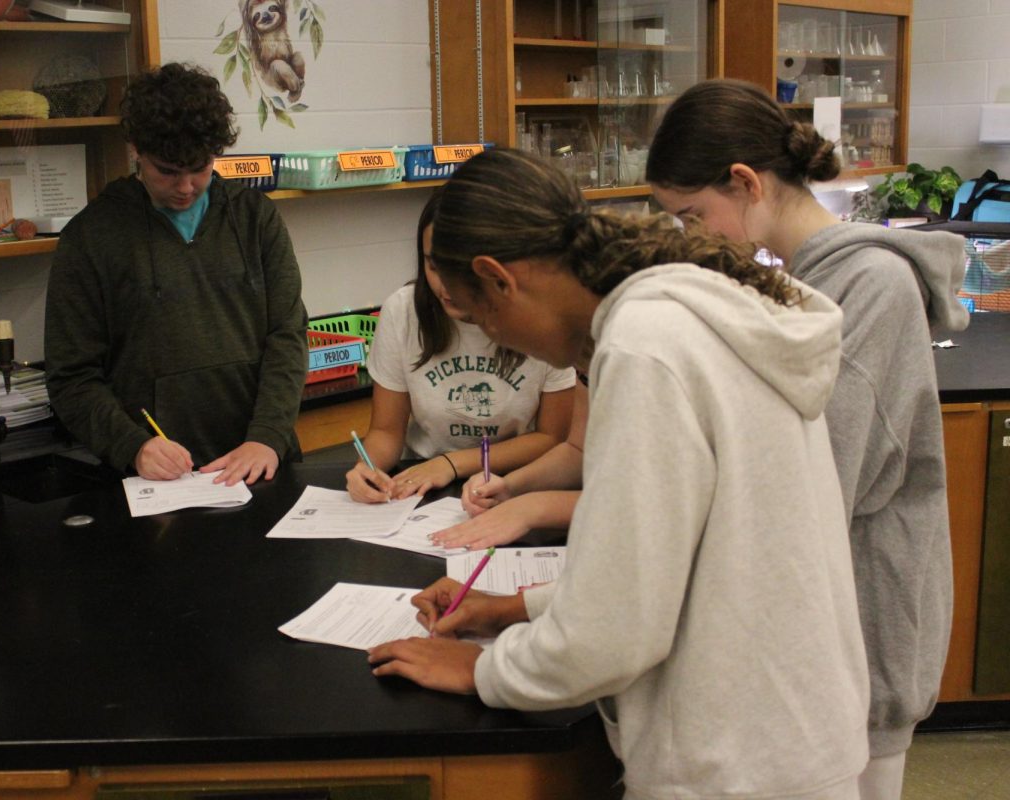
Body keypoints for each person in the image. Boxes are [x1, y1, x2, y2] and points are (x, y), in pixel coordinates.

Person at [368, 149, 870, 798]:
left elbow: (613, 636)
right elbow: (665, 565)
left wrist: (482, 673)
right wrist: (515, 609)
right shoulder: (691, 313)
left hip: (736, 758)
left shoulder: (645, 346)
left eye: (479, 316)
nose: (499, 340)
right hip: (786, 727)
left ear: (499, 279)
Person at [645, 78, 970, 799]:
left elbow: (812, 484)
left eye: (693, 215)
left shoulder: (872, 287)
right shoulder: (793, 282)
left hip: (862, 637)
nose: (691, 238)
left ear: (746, 183)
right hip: (810, 638)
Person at [45, 62, 308, 485]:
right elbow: (71, 377)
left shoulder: (255, 218)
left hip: (260, 464)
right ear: (136, 149)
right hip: (156, 480)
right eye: (167, 171)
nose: (185, 187)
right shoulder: (91, 237)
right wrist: (133, 446)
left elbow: (288, 335)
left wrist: (268, 436)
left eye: (200, 168)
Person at [346, 191, 575, 503]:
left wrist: (452, 464)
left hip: (516, 481)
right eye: (433, 265)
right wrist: (366, 469)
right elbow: (386, 431)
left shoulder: (538, 316)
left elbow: (553, 438)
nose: (446, 284)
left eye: (460, 267)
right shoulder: (403, 312)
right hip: (422, 484)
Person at [428, 380, 586, 550]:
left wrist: (535, 507)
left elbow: (618, 505)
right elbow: (579, 451)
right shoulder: (587, 369)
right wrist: (509, 486)